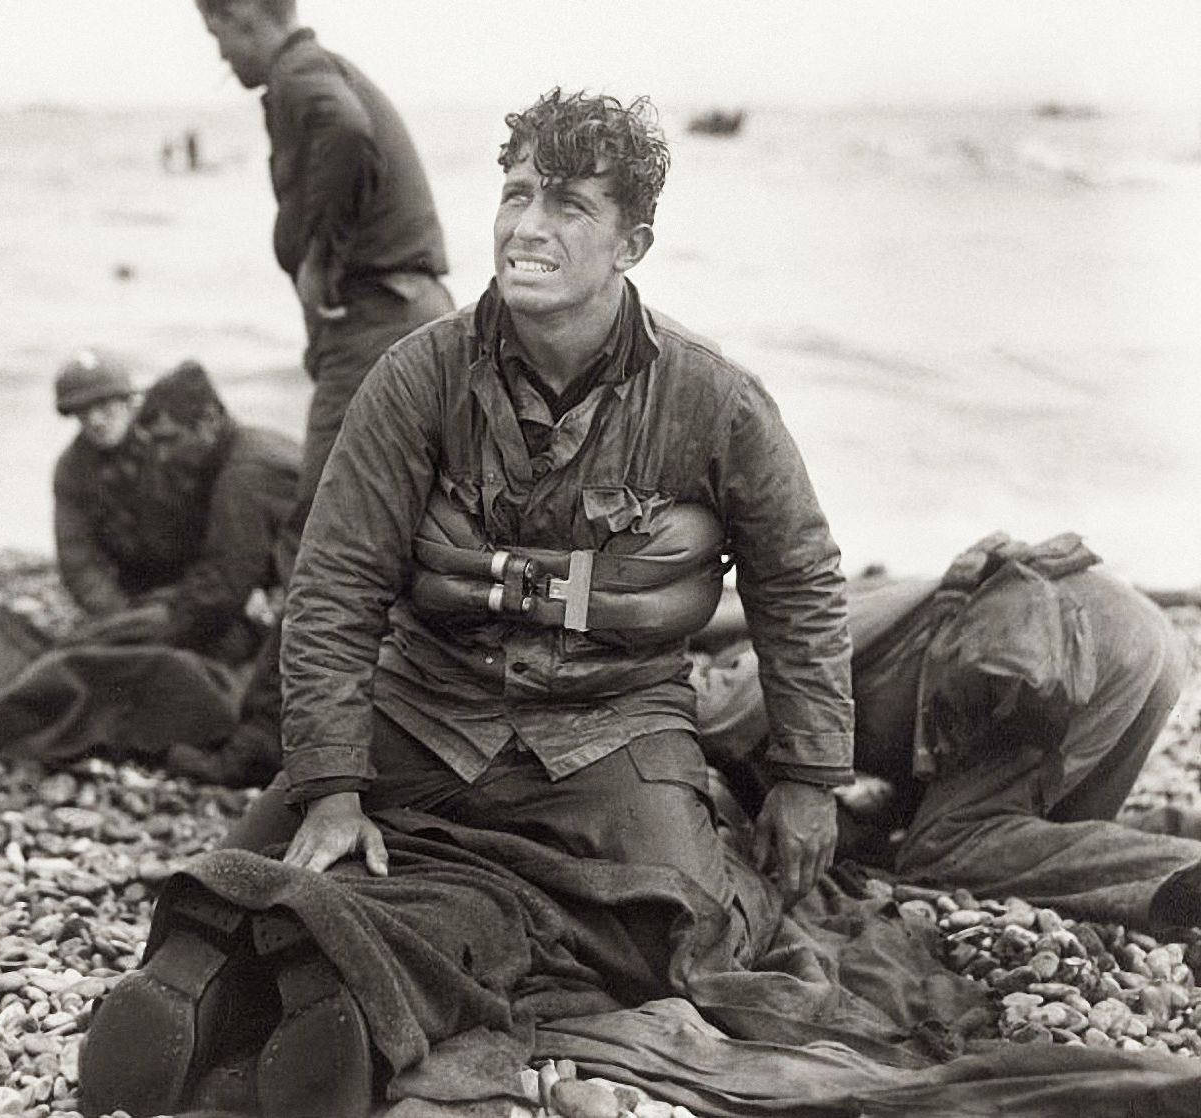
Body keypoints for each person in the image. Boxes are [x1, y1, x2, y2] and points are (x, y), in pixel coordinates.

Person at [94, 89, 855, 1117]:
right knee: (266, 852)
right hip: (426, 709)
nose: (527, 226)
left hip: (610, 729)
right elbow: (334, 583)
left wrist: (809, 770)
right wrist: (327, 782)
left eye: (568, 206)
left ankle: (329, 966)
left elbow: (797, 576)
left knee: (669, 933)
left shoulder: (713, 399)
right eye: (515, 193)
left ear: (632, 240)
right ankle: (232, 978)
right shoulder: (416, 378)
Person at [191, 0, 458, 778]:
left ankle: (264, 740)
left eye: (217, 36)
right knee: (407, 528)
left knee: (321, 531)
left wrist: (318, 252)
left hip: (380, 321)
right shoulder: (326, 67)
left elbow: (343, 130)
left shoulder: (302, 77)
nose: (221, 59)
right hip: (410, 310)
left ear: (245, 19)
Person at [694, 532, 1201, 927]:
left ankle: (1171, 866)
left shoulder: (775, 665)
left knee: (945, 847)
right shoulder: (860, 630)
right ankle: (1183, 837)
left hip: (1049, 647)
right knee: (1050, 845)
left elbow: (708, 711)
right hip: (1140, 636)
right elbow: (935, 768)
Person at [0, 354, 300, 770]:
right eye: (82, 412)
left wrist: (185, 617)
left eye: (106, 406)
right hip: (156, 595)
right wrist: (126, 619)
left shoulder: (204, 453)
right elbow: (79, 561)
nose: (96, 420)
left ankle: (243, 754)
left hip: (205, 590)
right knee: (109, 648)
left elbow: (230, 556)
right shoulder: (76, 470)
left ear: (128, 403)